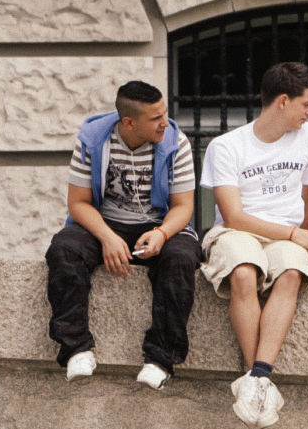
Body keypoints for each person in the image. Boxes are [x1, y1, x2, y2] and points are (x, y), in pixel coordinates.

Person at [44, 78, 199, 391]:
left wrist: (162, 233)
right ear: (129, 122)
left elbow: (183, 207)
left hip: (161, 223)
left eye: (165, 114)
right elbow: (78, 204)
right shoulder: (92, 140)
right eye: (155, 118)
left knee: (181, 258)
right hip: (105, 221)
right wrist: (107, 237)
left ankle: (160, 360)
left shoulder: (175, 141)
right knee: (64, 249)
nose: (165, 123)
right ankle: (76, 350)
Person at [198, 61, 308, 427]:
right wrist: (294, 234)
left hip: (286, 234)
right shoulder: (226, 147)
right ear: (283, 101)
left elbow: (305, 198)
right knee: (243, 271)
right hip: (238, 232)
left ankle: (257, 377)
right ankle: (261, 379)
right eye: (306, 103)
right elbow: (233, 216)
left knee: (290, 272)